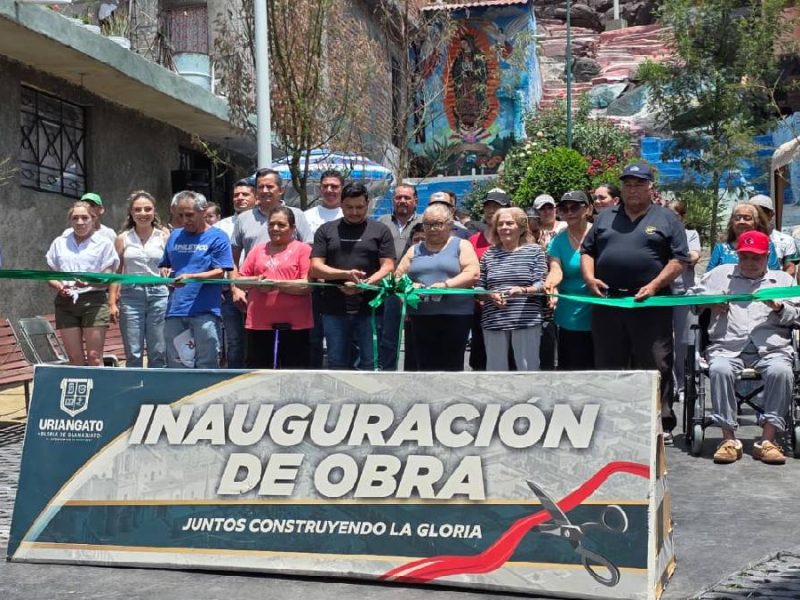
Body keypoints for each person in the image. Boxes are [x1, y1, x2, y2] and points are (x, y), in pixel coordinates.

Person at [581, 162, 690, 440]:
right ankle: (613, 419)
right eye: (628, 184)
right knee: (608, 362)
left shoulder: (667, 218)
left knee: (656, 363)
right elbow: (587, 251)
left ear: (650, 187)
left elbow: (679, 260)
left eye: (639, 184)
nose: (633, 189)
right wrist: (590, 278)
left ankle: (660, 422)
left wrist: (654, 285)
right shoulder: (604, 218)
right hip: (609, 302)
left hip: (650, 304)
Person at [690, 231, 797, 465]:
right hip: (727, 346)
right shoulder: (719, 275)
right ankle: (728, 439)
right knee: (719, 369)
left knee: (782, 371)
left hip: (771, 348)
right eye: (744, 256)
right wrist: (710, 302)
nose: (749, 262)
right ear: (737, 255)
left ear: (767, 256)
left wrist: (780, 308)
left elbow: (797, 315)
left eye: (755, 257)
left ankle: (768, 440)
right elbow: (691, 300)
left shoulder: (784, 280)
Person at [310, 182, 395, 370]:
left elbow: (388, 266)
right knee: (336, 361)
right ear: (341, 205)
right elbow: (316, 267)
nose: (355, 212)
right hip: (334, 309)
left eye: (359, 207)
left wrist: (363, 284)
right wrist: (344, 275)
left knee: (370, 362)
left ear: (368, 204)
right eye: (349, 207)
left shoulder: (380, 230)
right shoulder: (326, 230)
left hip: (370, 310)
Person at [395, 204, 479, 371]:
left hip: (456, 315)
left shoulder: (461, 245)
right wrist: (411, 285)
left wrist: (445, 286)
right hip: (421, 317)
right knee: (424, 366)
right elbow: (397, 277)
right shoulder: (415, 249)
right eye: (427, 224)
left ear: (449, 224)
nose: (432, 228)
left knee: (452, 365)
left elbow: (473, 273)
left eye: (437, 224)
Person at [159, 191, 234, 369]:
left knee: (206, 362)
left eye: (190, 215)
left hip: (205, 310)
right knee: (177, 362)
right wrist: (165, 272)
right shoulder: (175, 236)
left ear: (203, 211)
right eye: (181, 215)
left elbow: (219, 272)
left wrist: (192, 277)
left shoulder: (218, 236)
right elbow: (166, 265)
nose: (185, 220)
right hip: (176, 310)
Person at [237, 206, 313, 369]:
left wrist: (275, 285)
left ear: (293, 228)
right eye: (271, 224)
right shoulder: (258, 250)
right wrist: (256, 282)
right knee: (257, 372)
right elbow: (239, 280)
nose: (275, 229)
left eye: (281, 225)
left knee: (294, 372)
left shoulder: (303, 250)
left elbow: (307, 285)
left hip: (295, 324)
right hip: (259, 323)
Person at [46, 201, 120, 366]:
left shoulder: (104, 243)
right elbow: (50, 275)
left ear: (93, 219)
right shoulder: (59, 242)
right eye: (75, 218)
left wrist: (89, 281)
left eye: (84, 218)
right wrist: (60, 286)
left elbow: (107, 278)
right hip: (66, 303)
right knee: (74, 359)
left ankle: (100, 390)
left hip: (94, 301)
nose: (80, 222)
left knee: (94, 357)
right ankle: (82, 391)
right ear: (70, 220)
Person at [479, 207, 548, 371]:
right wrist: (489, 295)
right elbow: (479, 288)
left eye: (510, 223)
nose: (504, 227)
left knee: (528, 369)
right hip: (494, 321)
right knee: (496, 372)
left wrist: (523, 290)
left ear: (521, 227)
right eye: (500, 224)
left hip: (526, 319)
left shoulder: (534, 251)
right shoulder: (489, 255)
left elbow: (542, 284)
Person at [108, 191, 170, 368]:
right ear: (131, 213)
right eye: (138, 209)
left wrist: (169, 267)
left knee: (158, 349)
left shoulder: (164, 237)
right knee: (133, 350)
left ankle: (156, 390)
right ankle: (135, 390)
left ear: (154, 211)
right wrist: (112, 302)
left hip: (159, 293)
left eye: (147, 209)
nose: (143, 213)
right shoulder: (123, 238)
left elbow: (173, 265)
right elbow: (116, 273)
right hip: (131, 295)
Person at [544, 191, 594, 370]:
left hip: (601, 312)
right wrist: (550, 283)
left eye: (574, 207)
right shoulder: (557, 242)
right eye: (564, 209)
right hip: (570, 315)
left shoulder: (600, 234)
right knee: (572, 368)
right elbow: (556, 270)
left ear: (588, 209)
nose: (569, 212)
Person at [378, 183, 423, 371]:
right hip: (389, 290)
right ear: (393, 200)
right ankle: (388, 375)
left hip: (418, 288)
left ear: (415, 201)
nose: (402, 201)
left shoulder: (424, 222)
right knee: (388, 337)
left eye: (407, 197)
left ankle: (415, 375)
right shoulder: (382, 222)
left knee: (416, 337)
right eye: (398, 197)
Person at [303, 170, 345, 369]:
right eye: (326, 186)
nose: (330, 190)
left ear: (341, 189)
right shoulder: (307, 216)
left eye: (334, 186)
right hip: (314, 286)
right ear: (320, 189)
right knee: (313, 337)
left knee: (342, 339)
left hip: (343, 287)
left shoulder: (350, 213)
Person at [215, 179, 257, 369]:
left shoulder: (265, 222)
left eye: (245, 194)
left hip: (257, 289)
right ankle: (233, 377)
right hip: (227, 291)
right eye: (236, 195)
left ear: (255, 197)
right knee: (234, 341)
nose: (240, 198)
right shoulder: (222, 226)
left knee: (256, 338)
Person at [468, 188, 510, 371]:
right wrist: (482, 295)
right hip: (480, 311)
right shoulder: (472, 241)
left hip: (512, 310)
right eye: (488, 206)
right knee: (480, 361)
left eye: (497, 206)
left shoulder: (518, 239)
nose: (491, 210)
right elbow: (468, 273)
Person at [668, 200, 701, 401]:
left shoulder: (691, 235)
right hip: (662, 295)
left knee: (683, 342)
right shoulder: (660, 235)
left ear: (683, 217)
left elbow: (693, 257)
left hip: (684, 294)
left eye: (676, 216)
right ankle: (670, 385)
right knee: (665, 343)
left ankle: (683, 384)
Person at [707, 203, 780, 272]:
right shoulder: (721, 248)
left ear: (756, 222)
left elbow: (774, 274)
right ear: (732, 222)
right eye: (737, 218)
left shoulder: (767, 245)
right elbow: (708, 276)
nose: (741, 221)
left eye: (747, 218)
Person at [748, 194, 797, 276]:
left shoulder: (786, 240)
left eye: (762, 212)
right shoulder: (740, 239)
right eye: (753, 212)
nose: (758, 216)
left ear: (771, 214)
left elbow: (790, 269)